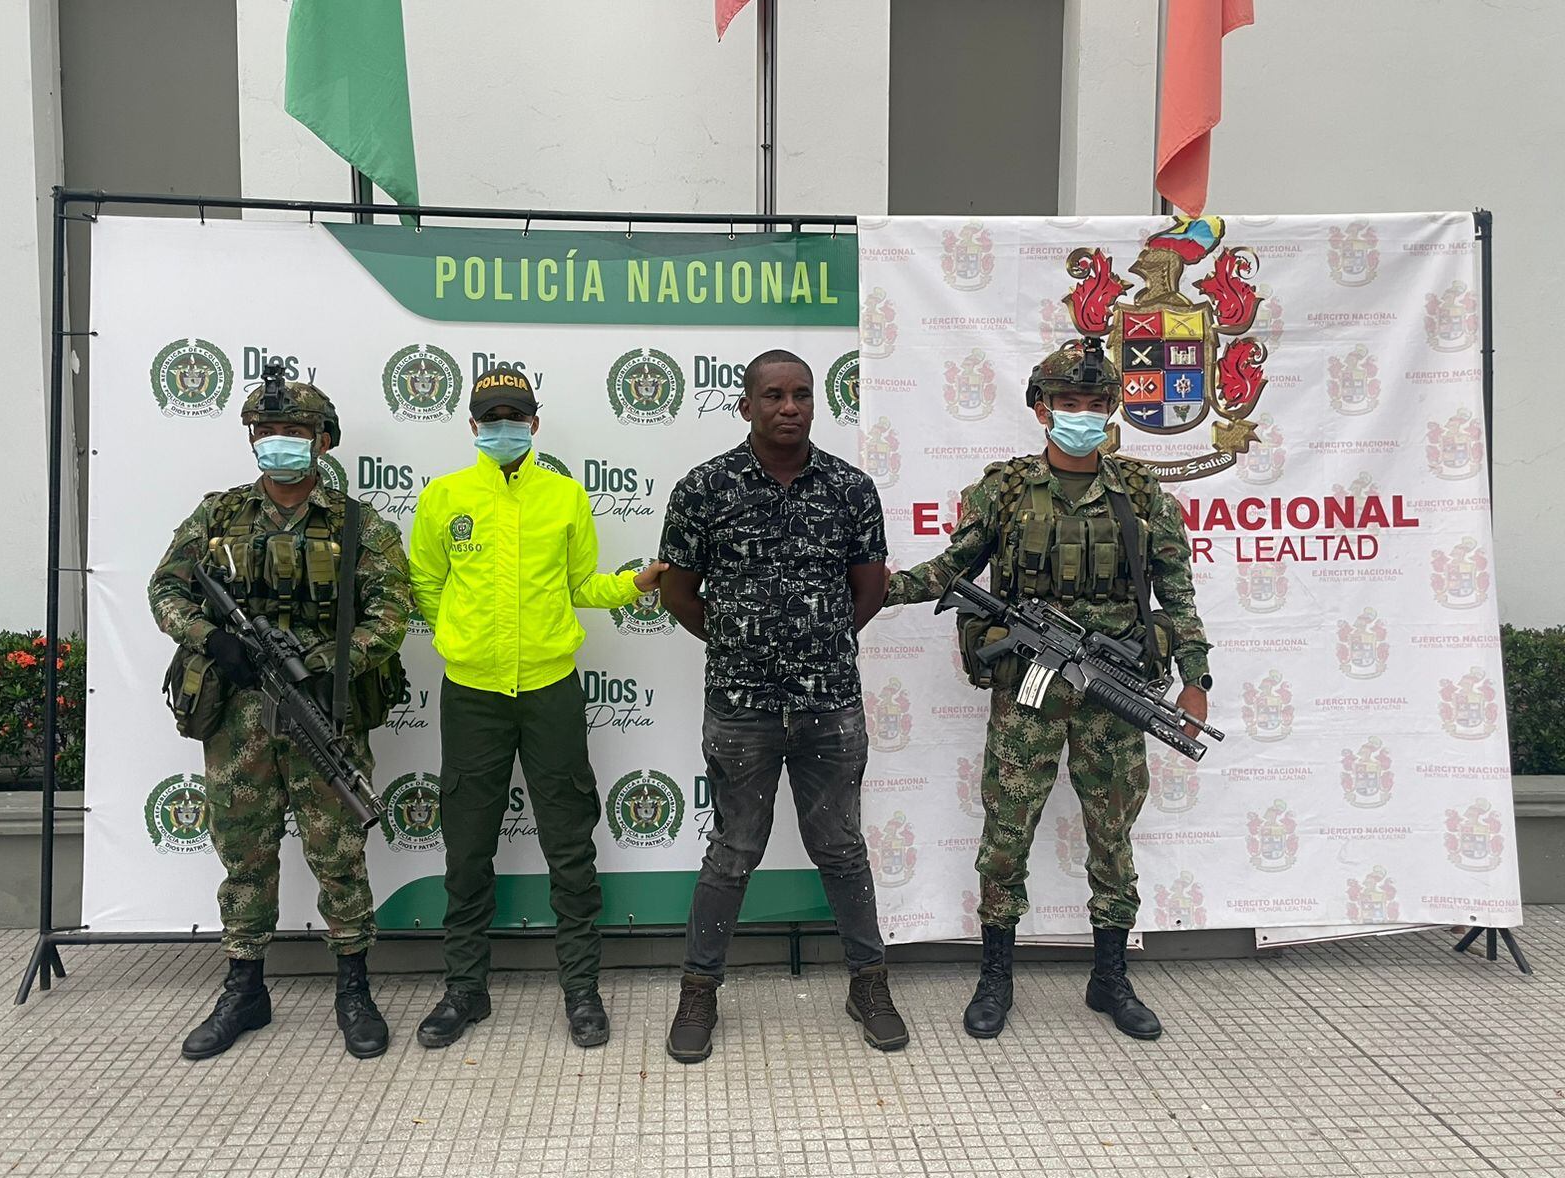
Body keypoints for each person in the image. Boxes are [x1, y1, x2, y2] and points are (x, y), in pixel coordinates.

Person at [884, 338, 1212, 1041]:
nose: (1082, 416)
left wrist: (1196, 680)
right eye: (1069, 403)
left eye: (1096, 405)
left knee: (1113, 838)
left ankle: (1110, 977)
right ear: (1041, 408)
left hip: (1115, 693)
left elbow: (1177, 591)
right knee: (1006, 834)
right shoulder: (1004, 489)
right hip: (1028, 694)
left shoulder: (1140, 493)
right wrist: (879, 589)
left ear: (1112, 411)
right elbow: (951, 569)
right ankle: (996, 976)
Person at [149, 369, 411, 1060]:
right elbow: (167, 591)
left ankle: (353, 984)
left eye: (292, 432)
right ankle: (245, 986)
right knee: (243, 848)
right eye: (264, 432)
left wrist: (330, 662)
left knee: (339, 851)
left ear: (322, 441)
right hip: (236, 716)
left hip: (321, 708)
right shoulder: (217, 516)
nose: (276, 443)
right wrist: (215, 641)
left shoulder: (361, 525)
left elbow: (391, 615)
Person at [658, 349, 908, 1064]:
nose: (790, 406)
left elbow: (870, 587)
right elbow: (679, 593)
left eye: (801, 394)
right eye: (773, 395)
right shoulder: (704, 488)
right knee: (733, 850)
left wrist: (819, 642)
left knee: (841, 846)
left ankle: (868, 982)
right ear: (746, 406)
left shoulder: (851, 488)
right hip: (741, 706)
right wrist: (740, 642)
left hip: (829, 702)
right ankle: (699, 991)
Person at [408, 367, 667, 1050]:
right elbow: (426, 586)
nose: (502, 427)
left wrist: (633, 584)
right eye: (489, 417)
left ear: (534, 424)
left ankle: (581, 990)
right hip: (473, 695)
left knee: (570, 846)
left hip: (551, 691)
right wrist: (461, 641)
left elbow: (583, 583)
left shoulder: (565, 497)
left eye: (513, 416)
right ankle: (465, 989)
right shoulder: (444, 498)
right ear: (471, 426)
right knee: (466, 850)